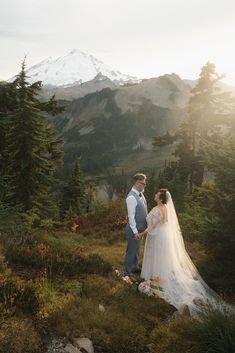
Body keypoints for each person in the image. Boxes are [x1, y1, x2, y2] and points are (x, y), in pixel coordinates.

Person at [138, 189, 233, 316]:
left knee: (159, 257)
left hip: (158, 236)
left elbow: (163, 222)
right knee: (155, 256)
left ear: (160, 198)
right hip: (154, 236)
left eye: (157, 194)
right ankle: (154, 279)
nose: (155, 195)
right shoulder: (158, 207)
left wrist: (143, 232)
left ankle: (158, 281)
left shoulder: (163, 208)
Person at [123, 173, 148, 283]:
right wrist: (135, 231)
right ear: (137, 183)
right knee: (131, 251)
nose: (144, 185)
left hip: (141, 229)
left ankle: (135, 267)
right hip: (135, 230)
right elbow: (131, 216)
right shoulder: (131, 197)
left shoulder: (141, 195)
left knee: (137, 250)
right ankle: (127, 272)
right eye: (143, 183)